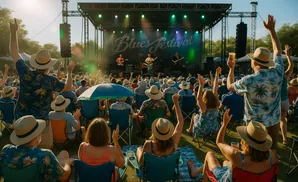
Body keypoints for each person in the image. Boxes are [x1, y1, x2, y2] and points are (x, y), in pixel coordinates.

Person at [10, 18, 74, 149]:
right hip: (41, 123)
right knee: (45, 150)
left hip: (22, 121)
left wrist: (13, 32)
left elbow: (14, 53)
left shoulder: (25, 72)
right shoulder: (50, 81)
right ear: (48, 66)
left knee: (22, 151)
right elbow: (67, 87)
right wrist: (69, 72)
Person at [226, 15, 283, 151]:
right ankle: (272, 171)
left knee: (250, 154)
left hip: (254, 127)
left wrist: (231, 69)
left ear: (254, 62)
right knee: (272, 152)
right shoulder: (278, 72)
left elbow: (229, 86)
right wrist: (272, 31)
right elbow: (278, 51)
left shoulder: (249, 80)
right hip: (273, 123)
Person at [188, 110, 277, 182]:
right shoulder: (272, 157)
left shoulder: (237, 156)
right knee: (226, 162)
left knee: (209, 154)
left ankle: (202, 179)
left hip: (227, 179)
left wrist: (224, 124)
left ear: (246, 142)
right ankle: (196, 172)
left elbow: (219, 142)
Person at [0, 115, 73, 181]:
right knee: (64, 154)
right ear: (37, 136)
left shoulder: (6, 150)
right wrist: (67, 163)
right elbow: (63, 177)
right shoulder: (44, 155)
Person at [136, 94, 184, 164]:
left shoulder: (149, 144)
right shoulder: (174, 142)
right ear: (169, 131)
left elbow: (141, 162)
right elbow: (181, 121)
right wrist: (176, 103)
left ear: (155, 131)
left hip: (152, 172)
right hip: (169, 172)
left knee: (139, 149)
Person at [186, 67, 221, 137]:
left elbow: (198, 98)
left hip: (203, 130)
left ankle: (190, 130)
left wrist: (201, 85)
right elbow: (215, 89)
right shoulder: (217, 104)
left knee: (194, 116)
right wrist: (217, 74)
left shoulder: (204, 107)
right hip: (215, 129)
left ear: (205, 97)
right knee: (197, 116)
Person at [279, 44, 294, 145]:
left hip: (276, 101)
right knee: (283, 120)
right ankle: (284, 139)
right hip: (284, 101)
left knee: (275, 122)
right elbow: (291, 66)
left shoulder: (271, 77)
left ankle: (270, 139)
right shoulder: (284, 76)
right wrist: (288, 55)